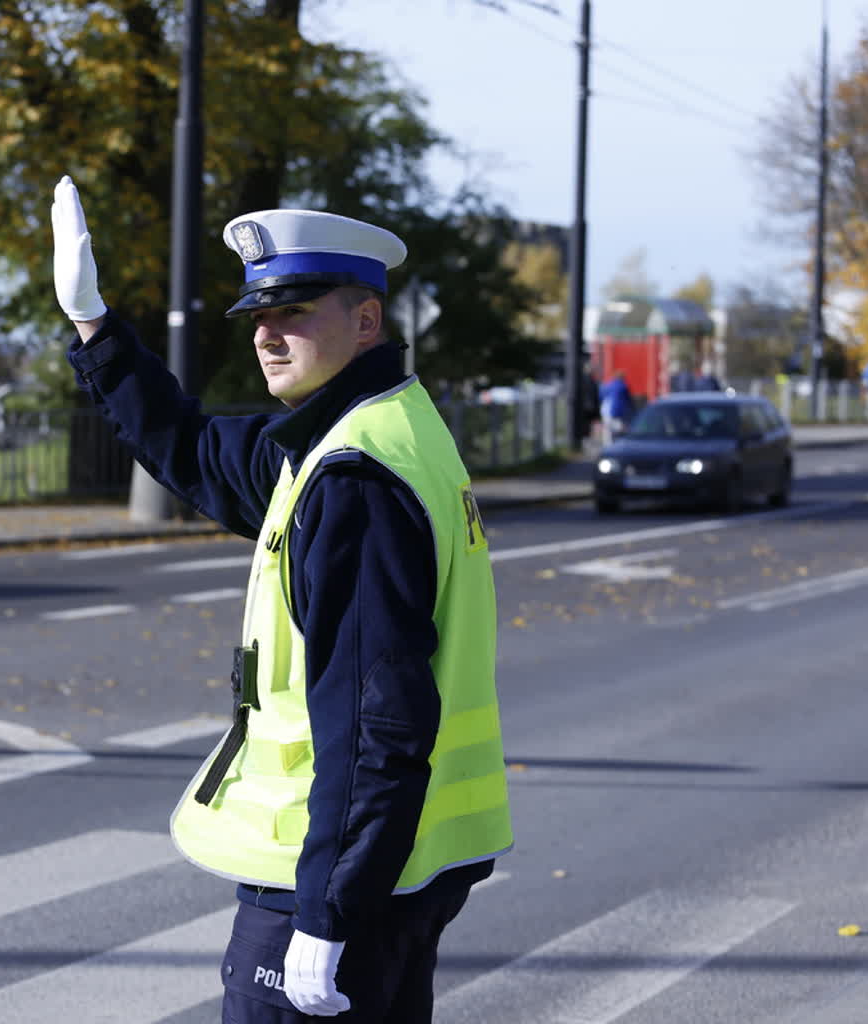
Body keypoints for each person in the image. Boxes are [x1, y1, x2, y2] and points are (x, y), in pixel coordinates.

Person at [50, 176, 512, 1021]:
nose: (268, 333)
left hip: (332, 876)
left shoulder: (356, 477)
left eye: (294, 311)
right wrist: (95, 329)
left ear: (365, 319)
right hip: (402, 869)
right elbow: (193, 449)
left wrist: (328, 913)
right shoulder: (367, 431)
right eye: (259, 316)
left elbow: (379, 720)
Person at [597, 369, 635, 443]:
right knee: (622, 430)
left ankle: (608, 449)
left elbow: (601, 396)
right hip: (618, 413)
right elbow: (628, 401)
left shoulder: (608, 386)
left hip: (606, 413)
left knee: (608, 433)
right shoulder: (623, 387)